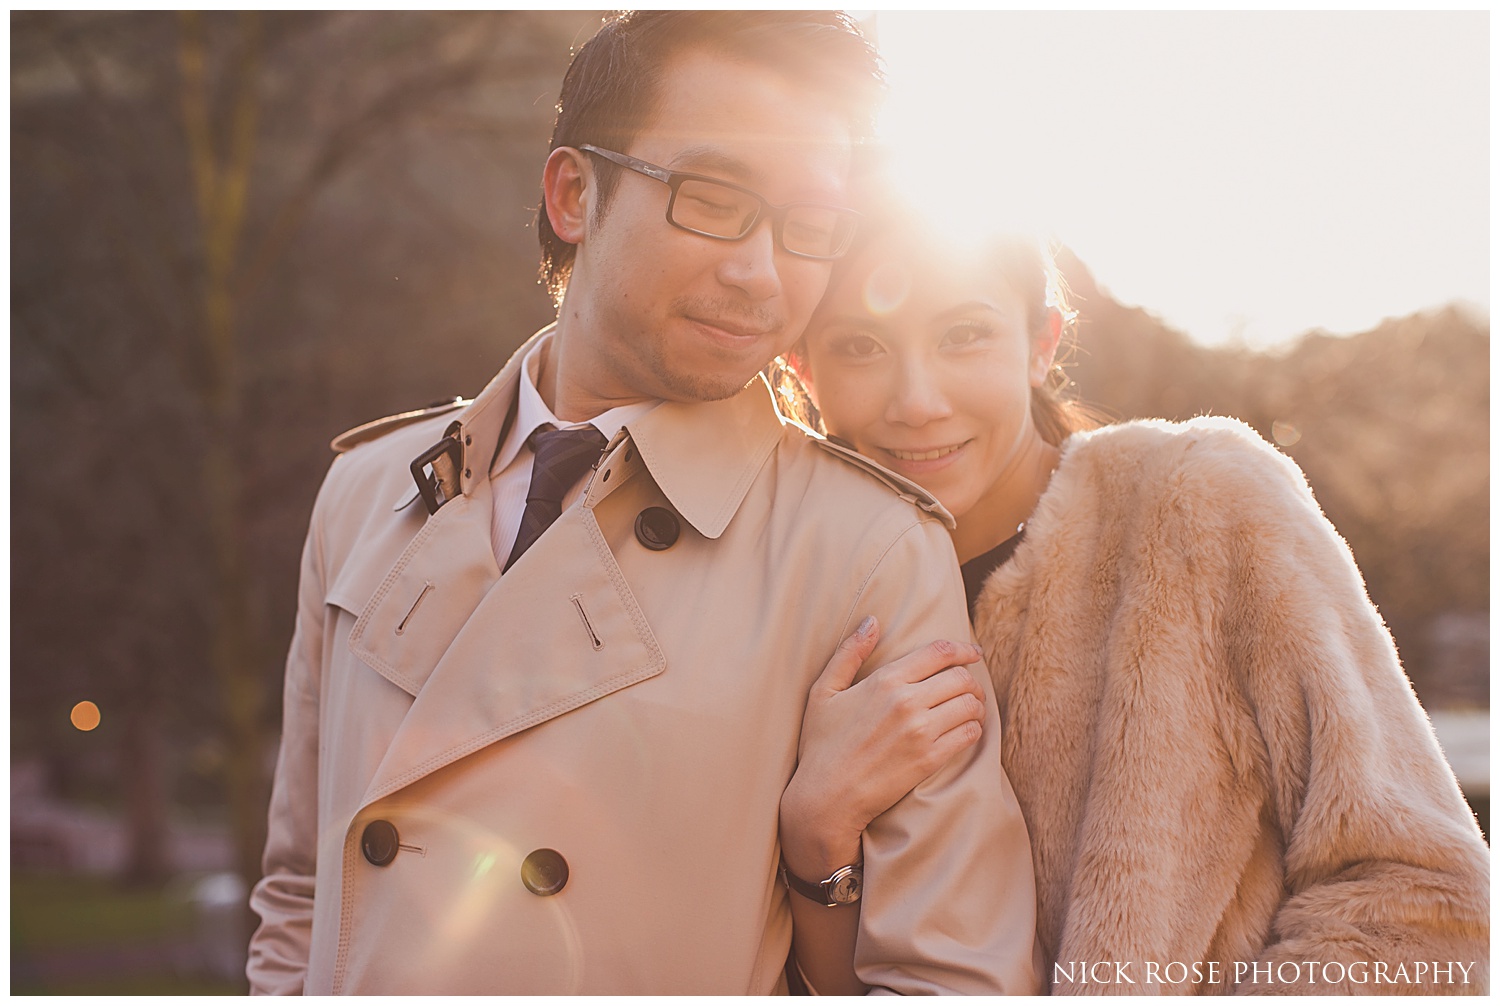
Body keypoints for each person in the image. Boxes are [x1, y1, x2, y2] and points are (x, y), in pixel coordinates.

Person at [246, 12, 1041, 995]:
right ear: (575, 192)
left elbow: (953, 979)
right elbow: (297, 893)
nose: (760, 272)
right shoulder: (366, 489)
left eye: (810, 228)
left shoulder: (866, 548)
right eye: (713, 200)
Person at [777, 207, 1491, 994]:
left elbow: (1436, 910)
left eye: (964, 335)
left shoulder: (1201, 503)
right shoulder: (792, 596)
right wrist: (820, 833)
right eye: (860, 346)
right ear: (802, 369)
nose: (916, 400)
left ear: (1041, 345)